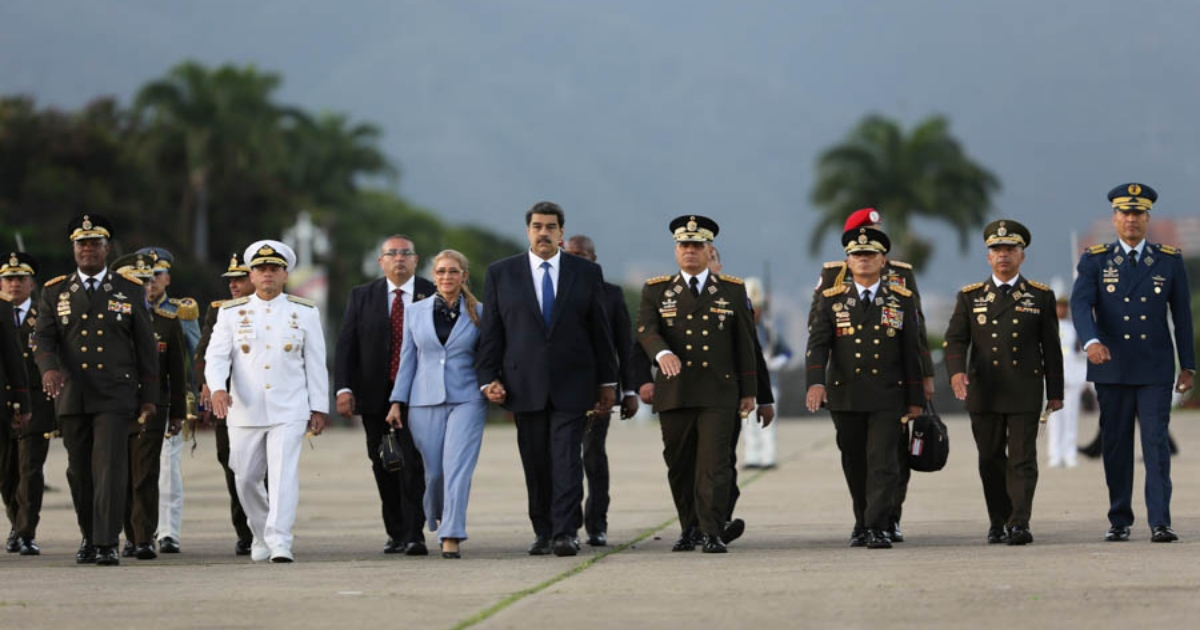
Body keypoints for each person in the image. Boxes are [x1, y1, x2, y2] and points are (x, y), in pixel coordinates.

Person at [477, 201, 617, 557]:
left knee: (567, 458)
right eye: (537, 226)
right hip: (524, 385)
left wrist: (607, 383)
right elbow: (493, 332)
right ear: (528, 231)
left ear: (561, 233)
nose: (543, 232)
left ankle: (566, 532)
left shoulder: (584, 273)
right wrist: (487, 377)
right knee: (536, 461)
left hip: (574, 384)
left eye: (550, 227)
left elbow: (600, 332)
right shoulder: (501, 273)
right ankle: (543, 529)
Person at [1070, 183, 1194, 543]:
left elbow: (1182, 316)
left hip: (1154, 366)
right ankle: (1119, 519)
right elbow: (1080, 305)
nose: (1131, 220)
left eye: (1138, 214)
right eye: (1125, 213)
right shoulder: (1095, 259)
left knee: (1155, 443)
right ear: (1115, 218)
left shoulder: (1168, 260)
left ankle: (1160, 520)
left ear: (1147, 218)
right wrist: (1091, 341)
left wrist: (1188, 365)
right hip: (1112, 365)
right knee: (1117, 444)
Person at [35, 214, 159, 566]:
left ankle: (107, 542)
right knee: (79, 471)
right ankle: (89, 536)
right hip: (73, 394)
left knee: (110, 467)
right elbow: (42, 337)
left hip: (115, 395)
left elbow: (146, 347)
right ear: (73, 249)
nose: (88, 249)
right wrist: (49, 369)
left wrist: (149, 397)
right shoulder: (55, 290)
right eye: (81, 244)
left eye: (94, 244)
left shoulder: (129, 288)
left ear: (107, 248)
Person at [810, 208, 933, 543]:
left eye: (874, 240)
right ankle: (865, 520)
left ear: (883, 254)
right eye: (860, 242)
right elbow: (818, 335)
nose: (865, 250)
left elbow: (915, 336)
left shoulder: (901, 283)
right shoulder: (833, 282)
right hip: (847, 387)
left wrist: (923, 382)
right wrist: (817, 380)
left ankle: (882, 521)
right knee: (856, 461)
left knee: (889, 459)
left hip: (888, 389)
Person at [636, 215, 757, 554]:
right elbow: (646, 330)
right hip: (676, 391)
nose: (690, 251)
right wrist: (661, 354)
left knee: (715, 464)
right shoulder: (657, 289)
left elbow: (745, 343)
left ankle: (712, 531)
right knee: (680, 464)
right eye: (684, 245)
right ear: (676, 251)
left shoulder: (731, 289)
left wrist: (751, 391)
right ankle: (689, 527)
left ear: (709, 250)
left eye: (696, 246)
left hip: (719, 391)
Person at [205, 240, 329, 562]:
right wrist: (218, 388)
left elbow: (315, 362)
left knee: (283, 475)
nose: (267, 275)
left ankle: (280, 541)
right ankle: (260, 533)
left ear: (285, 274)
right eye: (261, 270)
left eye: (274, 269)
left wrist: (318, 406)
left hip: (289, 408)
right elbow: (216, 356)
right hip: (244, 409)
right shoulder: (231, 313)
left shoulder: (304, 311)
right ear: (252, 274)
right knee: (244, 478)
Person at [944, 220, 1064, 545]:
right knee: (990, 459)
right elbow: (955, 340)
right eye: (996, 250)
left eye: (1010, 250)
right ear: (988, 257)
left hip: (1024, 389)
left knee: (1022, 459)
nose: (1003, 256)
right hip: (984, 391)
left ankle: (1019, 522)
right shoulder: (970, 297)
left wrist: (1055, 393)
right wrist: (956, 373)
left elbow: (1051, 348)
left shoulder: (1039, 296)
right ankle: (998, 520)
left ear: (1022, 256)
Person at [334, 235, 434, 555]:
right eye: (392, 254)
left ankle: (414, 532)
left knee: (413, 464)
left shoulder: (431, 294)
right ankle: (396, 531)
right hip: (376, 396)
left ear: (416, 261)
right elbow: (347, 345)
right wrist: (344, 388)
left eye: (406, 253)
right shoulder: (363, 296)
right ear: (381, 262)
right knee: (384, 463)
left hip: (418, 396)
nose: (399, 259)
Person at [386, 249, 487, 559]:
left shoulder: (480, 312)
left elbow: (488, 355)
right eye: (441, 271)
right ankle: (438, 517)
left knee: (457, 468)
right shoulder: (416, 312)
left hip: (467, 398)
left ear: (464, 276)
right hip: (423, 400)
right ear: (433, 277)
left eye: (453, 271)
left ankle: (452, 533)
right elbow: (407, 359)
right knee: (434, 473)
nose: (447, 277)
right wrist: (396, 402)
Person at [110, 253, 187, 560]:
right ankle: (128, 535)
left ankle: (143, 538)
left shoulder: (167, 322)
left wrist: (179, 411)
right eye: (136, 281)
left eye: (147, 280)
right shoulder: (109, 318)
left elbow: (177, 372)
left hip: (151, 406)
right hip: (113, 406)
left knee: (144, 473)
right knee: (120, 475)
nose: (144, 286)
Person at [564, 234, 638, 548]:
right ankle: (567, 522)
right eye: (569, 254)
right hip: (563, 390)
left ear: (594, 259)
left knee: (593, 457)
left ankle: (597, 523)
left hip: (599, 392)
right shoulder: (555, 291)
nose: (574, 258)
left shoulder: (611, 294)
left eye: (580, 254)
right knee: (564, 459)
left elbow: (624, 345)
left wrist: (629, 390)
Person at [135, 246, 199, 555]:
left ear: (167, 278)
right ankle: (139, 528)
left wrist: (194, 395)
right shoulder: (124, 308)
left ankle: (169, 531)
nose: (151, 282)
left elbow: (194, 355)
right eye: (145, 276)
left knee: (168, 467)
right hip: (131, 401)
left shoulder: (181, 311)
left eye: (156, 275)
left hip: (168, 398)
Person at [194, 252, 255, 555]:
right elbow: (204, 352)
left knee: (268, 470)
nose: (233, 285)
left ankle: (269, 527)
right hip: (228, 405)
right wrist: (207, 384)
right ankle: (244, 532)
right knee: (233, 467)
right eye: (230, 280)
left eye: (239, 279)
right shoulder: (218, 311)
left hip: (263, 403)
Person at [0, 253, 35, 555]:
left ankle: (23, 529)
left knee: (23, 470)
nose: (14, 284)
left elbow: (15, 358)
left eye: (20, 278)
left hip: (22, 403)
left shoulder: (42, 312)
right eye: (8, 278)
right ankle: (18, 526)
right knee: (7, 473)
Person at [742, 277, 792, 470]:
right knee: (747, 424)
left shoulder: (769, 329)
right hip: (746, 384)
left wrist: (773, 363)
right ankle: (752, 456)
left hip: (768, 383)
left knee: (767, 422)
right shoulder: (741, 329)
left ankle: (768, 456)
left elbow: (786, 353)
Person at [1050, 297, 1087, 468]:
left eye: (1064, 307)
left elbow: (1082, 353)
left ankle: (1069, 453)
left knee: (1071, 418)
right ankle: (1055, 454)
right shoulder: (1048, 328)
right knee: (1054, 419)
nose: (1062, 310)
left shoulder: (1075, 328)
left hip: (1072, 377)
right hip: (1052, 378)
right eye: (1059, 307)